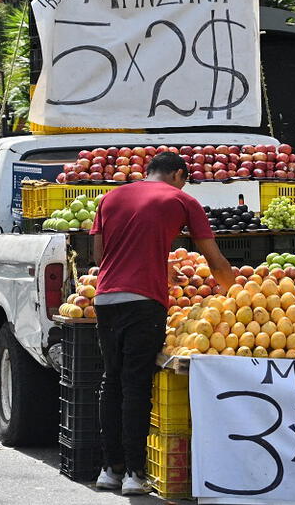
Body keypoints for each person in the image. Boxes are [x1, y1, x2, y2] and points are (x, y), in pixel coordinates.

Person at [89, 152, 234, 495]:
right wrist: (235, 294)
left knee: (112, 382)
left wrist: (157, 264)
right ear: (178, 174)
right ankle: (135, 475)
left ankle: (110, 470)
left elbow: (100, 256)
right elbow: (214, 260)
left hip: (106, 298)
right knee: (136, 384)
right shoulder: (182, 200)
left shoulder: (110, 196)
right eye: (184, 179)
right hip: (144, 302)